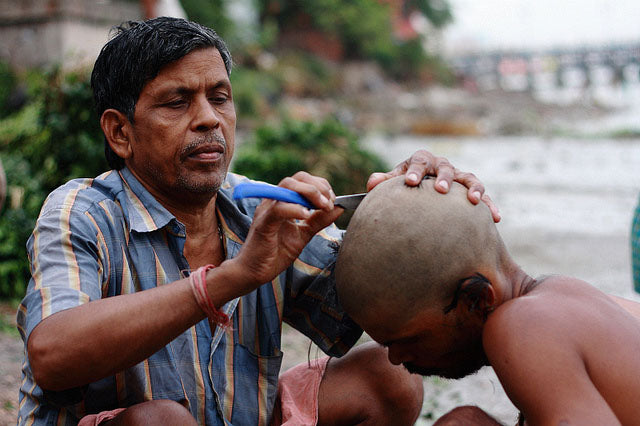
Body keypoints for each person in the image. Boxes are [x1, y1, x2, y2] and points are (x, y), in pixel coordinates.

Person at [16, 17, 499, 425]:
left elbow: (380, 312)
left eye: (219, 98)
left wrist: (419, 207)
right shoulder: (82, 210)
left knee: (387, 378)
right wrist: (230, 278)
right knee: (159, 421)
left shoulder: (256, 210)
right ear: (120, 132)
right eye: (177, 101)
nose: (209, 119)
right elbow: (53, 356)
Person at [335, 175, 640, 425]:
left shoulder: (523, 326)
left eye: (405, 340)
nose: (395, 358)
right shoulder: (581, 302)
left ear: (478, 299)